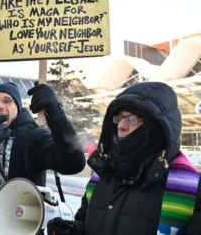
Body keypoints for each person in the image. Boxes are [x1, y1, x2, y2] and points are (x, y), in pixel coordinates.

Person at [47, 82, 201, 235]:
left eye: (133, 119)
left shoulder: (192, 188)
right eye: (119, 118)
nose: (121, 125)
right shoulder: (102, 177)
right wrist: (73, 230)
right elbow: (86, 222)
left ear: (158, 127)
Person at [0, 82, 86, 235]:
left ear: (18, 107)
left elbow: (74, 163)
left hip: (22, 228)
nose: (0, 105)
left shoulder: (34, 136)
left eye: (7, 101)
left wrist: (56, 114)